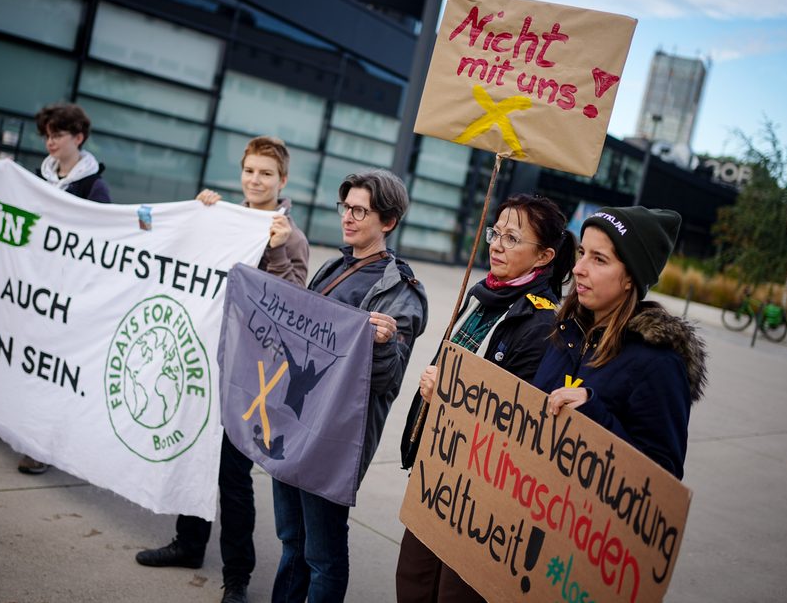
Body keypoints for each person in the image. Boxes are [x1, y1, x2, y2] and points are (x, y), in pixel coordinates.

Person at [135, 135, 309, 603]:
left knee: (232, 478)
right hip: (203, 363)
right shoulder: (223, 219)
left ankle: (237, 576)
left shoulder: (290, 235)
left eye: (266, 173)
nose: (256, 180)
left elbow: (292, 302)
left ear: (283, 180)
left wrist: (276, 248)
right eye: (250, 171)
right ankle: (188, 544)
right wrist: (198, 216)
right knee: (193, 454)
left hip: (249, 377)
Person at [394, 194, 576, 603]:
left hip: (481, 494)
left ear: (544, 256)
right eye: (496, 233)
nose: (496, 244)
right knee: (413, 581)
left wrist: (449, 397)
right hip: (438, 470)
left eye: (512, 238)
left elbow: (516, 421)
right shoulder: (481, 296)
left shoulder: (542, 322)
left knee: (452, 593)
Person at [272, 169, 427, 603]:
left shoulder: (399, 290)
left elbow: (386, 379)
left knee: (323, 557)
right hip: (295, 420)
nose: (349, 217)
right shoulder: (334, 266)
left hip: (333, 440)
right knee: (291, 541)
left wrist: (380, 343)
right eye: (346, 207)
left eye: (361, 210)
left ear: (388, 221)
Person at [0, 103, 111, 475]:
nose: (50, 142)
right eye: (47, 135)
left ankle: (41, 445)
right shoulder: (38, 177)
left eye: (57, 134)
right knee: (6, 354)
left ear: (78, 138)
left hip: (62, 292)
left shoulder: (93, 186)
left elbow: (102, 242)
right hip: (28, 284)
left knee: (47, 370)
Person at [533, 206, 707, 480]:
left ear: (630, 277)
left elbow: (663, 479)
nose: (578, 269)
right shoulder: (566, 331)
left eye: (599, 259)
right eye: (582, 253)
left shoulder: (658, 363)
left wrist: (593, 414)